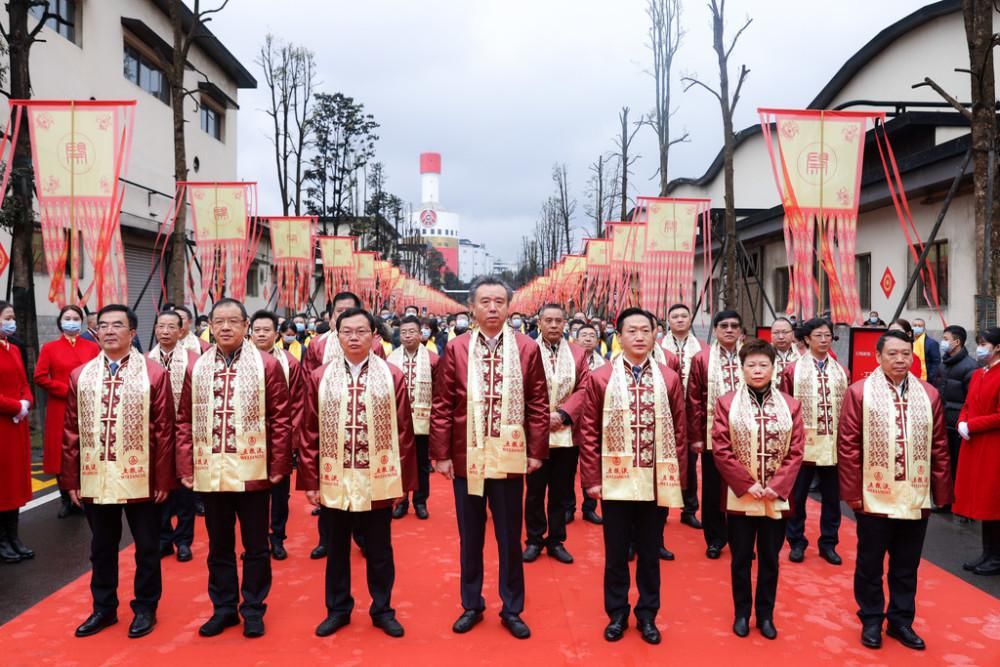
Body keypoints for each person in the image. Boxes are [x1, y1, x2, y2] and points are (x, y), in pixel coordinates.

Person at [429, 276, 549, 639]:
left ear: (509, 306)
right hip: (468, 458)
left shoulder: (527, 348)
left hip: (510, 459)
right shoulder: (457, 348)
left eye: (499, 301)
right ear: (472, 307)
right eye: (485, 302)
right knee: (471, 534)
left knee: (510, 537)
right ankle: (471, 603)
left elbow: (538, 404)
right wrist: (442, 455)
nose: (493, 308)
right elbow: (443, 404)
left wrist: (536, 451)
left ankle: (512, 607)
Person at [175, 298, 293, 639]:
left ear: (246, 326)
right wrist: (186, 464)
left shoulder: (267, 365)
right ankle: (224, 608)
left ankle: (253, 608)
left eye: (233, 321)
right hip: (210, 471)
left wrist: (279, 464)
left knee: (256, 545)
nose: (225, 327)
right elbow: (183, 419)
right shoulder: (195, 367)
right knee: (218, 545)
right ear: (210, 326)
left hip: (253, 470)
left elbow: (281, 419)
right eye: (219, 321)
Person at [61, 304, 178, 638]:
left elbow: (164, 430)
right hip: (96, 474)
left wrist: (162, 478)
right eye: (103, 326)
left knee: (147, 545)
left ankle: (145, 607)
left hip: (141, 476)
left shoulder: (153, 373)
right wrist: (71, 479)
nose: (109, 331)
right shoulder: (81, 375)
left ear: (132, 333)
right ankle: (104, 608)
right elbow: (71, 431)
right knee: (101, 546)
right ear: (96, 332)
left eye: (117, 325)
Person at [299, 308, 416, 638]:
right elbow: (309, 432)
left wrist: (403, 484)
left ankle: (382, 609)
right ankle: (338, 608)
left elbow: (404, 432)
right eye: (346, 331)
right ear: (337, 336)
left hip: (378, 476)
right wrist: (311, 481)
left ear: (373, 336)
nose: (353, 337)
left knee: (379, 549)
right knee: (336, 549)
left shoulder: (391, 375)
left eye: (361, 331)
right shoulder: (320, 377)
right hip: (334, 476)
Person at [577, 308, 687, 645]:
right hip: (616, 481)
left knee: (650, 553)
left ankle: (647, 615)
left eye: (645, 330)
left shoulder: (668, 377)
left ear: (655, 334)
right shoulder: (601, 377)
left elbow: (680, 431)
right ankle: (617, 613)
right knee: (615, 553)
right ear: (619, 336)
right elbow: (589, 431)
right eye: (632, 331)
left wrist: (678, 480)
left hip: (655, 479)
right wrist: (592, 478)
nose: (639, 337)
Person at [837, 330, 952, 651]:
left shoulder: (928, 394)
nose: (900, 359)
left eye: (905, 354)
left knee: (906, 564)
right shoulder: (860, 393)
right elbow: (848, 447)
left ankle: (901, 621)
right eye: (893, 354)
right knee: (870, 562)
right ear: (878, 357)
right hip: (875, 497)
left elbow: (939, 446)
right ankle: (871, 618)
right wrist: (853, 494)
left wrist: (940, 493)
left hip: (916, 495)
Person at [712, 339, 804, 640]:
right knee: (740, 558)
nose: (757, 369)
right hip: (741, 495)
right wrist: (747, 483)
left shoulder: (791, 405)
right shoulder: (726, 403)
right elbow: (721, 448)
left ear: (773, 368)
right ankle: (742, 613)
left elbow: (796, 450)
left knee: (769, 558)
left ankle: (765, 615)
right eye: (751, 364)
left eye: (763, 364)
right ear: (741, 369)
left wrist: (776, 486)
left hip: (775, 497)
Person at [302, 292, 383, 559]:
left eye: (351, 310)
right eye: (340, 312)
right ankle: (327, 540)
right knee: (331, 494)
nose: (353, 334)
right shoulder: (317, 345)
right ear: (331, 315)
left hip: (364, 424)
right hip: (329, 423)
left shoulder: (374, 345)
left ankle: (362, 537)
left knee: (363, 487)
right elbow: (308, 383)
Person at [523, 304, 590, 565]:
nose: (553, 325)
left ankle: (557, 540)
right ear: (539, 322)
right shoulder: (527, 349)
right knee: (535, 490)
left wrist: (563, 414)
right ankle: (534, 539)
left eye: (558, 321)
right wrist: (541, 417)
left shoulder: (577, 353)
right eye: (548, 320)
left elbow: (585, 388)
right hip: (535, 432)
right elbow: (521, 388)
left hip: (566, 432)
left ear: (565, 323)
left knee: (561, 491)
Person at [778, 319, 848, 565]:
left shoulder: (841, 371)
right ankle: (796, 542)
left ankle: (829, 543)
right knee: (797, 496)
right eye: (818, 335)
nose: (824, 339)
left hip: (832, 445)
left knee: (832, 498)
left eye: (828, 335)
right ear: (807, 339)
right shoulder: (792, 370)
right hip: (802, 445)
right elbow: (784, 407)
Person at [249, 310, 306, 561]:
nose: (261, 334)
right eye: (257, 330)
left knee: (279, 493)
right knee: (251, 496)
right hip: (248, 441)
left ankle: (277, 537)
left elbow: (298, 405)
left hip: (279, 439)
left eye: (267, 330)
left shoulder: (290, 363)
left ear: (276, 334)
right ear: (250, 331)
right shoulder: (240, 360)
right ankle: (256, 541)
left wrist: (290, 442)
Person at [34, 305, 100, 518]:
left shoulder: (92, 347)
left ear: (81, 322)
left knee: (84, 449)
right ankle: (65, 498)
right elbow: (40, 377)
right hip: (60, 406)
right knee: (61, 453)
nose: (71, 321)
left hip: (87, 406)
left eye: (75, 318)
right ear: (61, 322)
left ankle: (83, 495)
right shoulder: (49, 348)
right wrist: (66, 390)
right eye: (67, 317)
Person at [688, 310, 744, 558]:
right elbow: (693, 400)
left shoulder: (751, 356)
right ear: (716, 330)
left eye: (734, 325)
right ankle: (715, 538)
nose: (729, 330)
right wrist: (697, 436)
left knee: (742, 486)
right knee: (713, 489)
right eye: (724, 326)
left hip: (747, 435)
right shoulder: (702, 359)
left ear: (741, 330)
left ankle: (740, 538)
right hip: (713, 434)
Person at [148, 310, 200, 563]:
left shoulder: (194, 360)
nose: (165, 331)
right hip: (156, 434)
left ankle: (184, 541)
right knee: (158, 489)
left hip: (185, 433)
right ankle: (163, 538)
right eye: (161, 326)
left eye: (171, 327)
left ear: (181, 331)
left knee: (184, 492)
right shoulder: (145, 360)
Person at [954, 327, 1000, 575]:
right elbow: (968, 403)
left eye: (984, 344)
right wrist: (962, 420)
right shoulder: (979, 373)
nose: (980, 348)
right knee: (983, 500)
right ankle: (987, 553)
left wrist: (971, 425)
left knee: (994, 502)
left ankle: (996, 556)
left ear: (997, 347)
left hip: (993, 445)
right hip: (975, 443)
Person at [387, 315, 439, 520]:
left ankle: (420, 501)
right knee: (399, 463)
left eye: (412, 332)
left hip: (423, 422)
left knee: (422, 464)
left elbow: (440, 392)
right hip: (397, 421)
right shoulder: (390, 358)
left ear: (421, 334)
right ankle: (401, 501)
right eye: (403, 332)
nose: (407, 336)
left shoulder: (433, 359)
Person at [662, 303, 708, 530]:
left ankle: (689, 509)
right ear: (667, 320)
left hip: (692, 413)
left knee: (689, 462)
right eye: (675, 316)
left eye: (684, 316)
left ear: (690, 320)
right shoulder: (658, 345)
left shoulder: (702, 348)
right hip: (662, 412)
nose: (679, 320)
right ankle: (658, 511)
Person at [0, 302, 33, 564]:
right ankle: (2, 540)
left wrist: (26, 402)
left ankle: (14, 536)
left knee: (16, 482)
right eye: (7, 318)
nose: (12, 322)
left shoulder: (12, 348)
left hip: (16, 424)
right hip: (3, 423)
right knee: (3, 483)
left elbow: (24, 382)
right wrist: (14, 406)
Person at [934, 325, 977, 514]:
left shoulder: (970, 367)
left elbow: (972, 399)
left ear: (956, 342)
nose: (943, 342)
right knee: (944, 464)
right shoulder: (944, 364)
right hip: (943, 423)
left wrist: (965, 423)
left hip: (959, 425)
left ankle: (962, 505)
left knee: (960, 466)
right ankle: (946, 501)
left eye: (946, 338)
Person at [568, 323, 604, 525]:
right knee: (568, 467)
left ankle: (589, 508)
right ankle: (568, 507)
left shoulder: (606, 363)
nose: (588, 338)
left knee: (592, 465)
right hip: (571, 422)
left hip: (595, 423)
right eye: (584, 335)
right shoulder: (567, 361)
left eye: (592, 335)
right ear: (575, 338)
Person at [911, 318, 941, 382]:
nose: (917, 327)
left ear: (924, 328)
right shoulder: (908, 342)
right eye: (915, 325)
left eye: (919, 326)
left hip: (926, 379)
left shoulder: (932, 343)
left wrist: (930, 377)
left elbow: (936, 363)